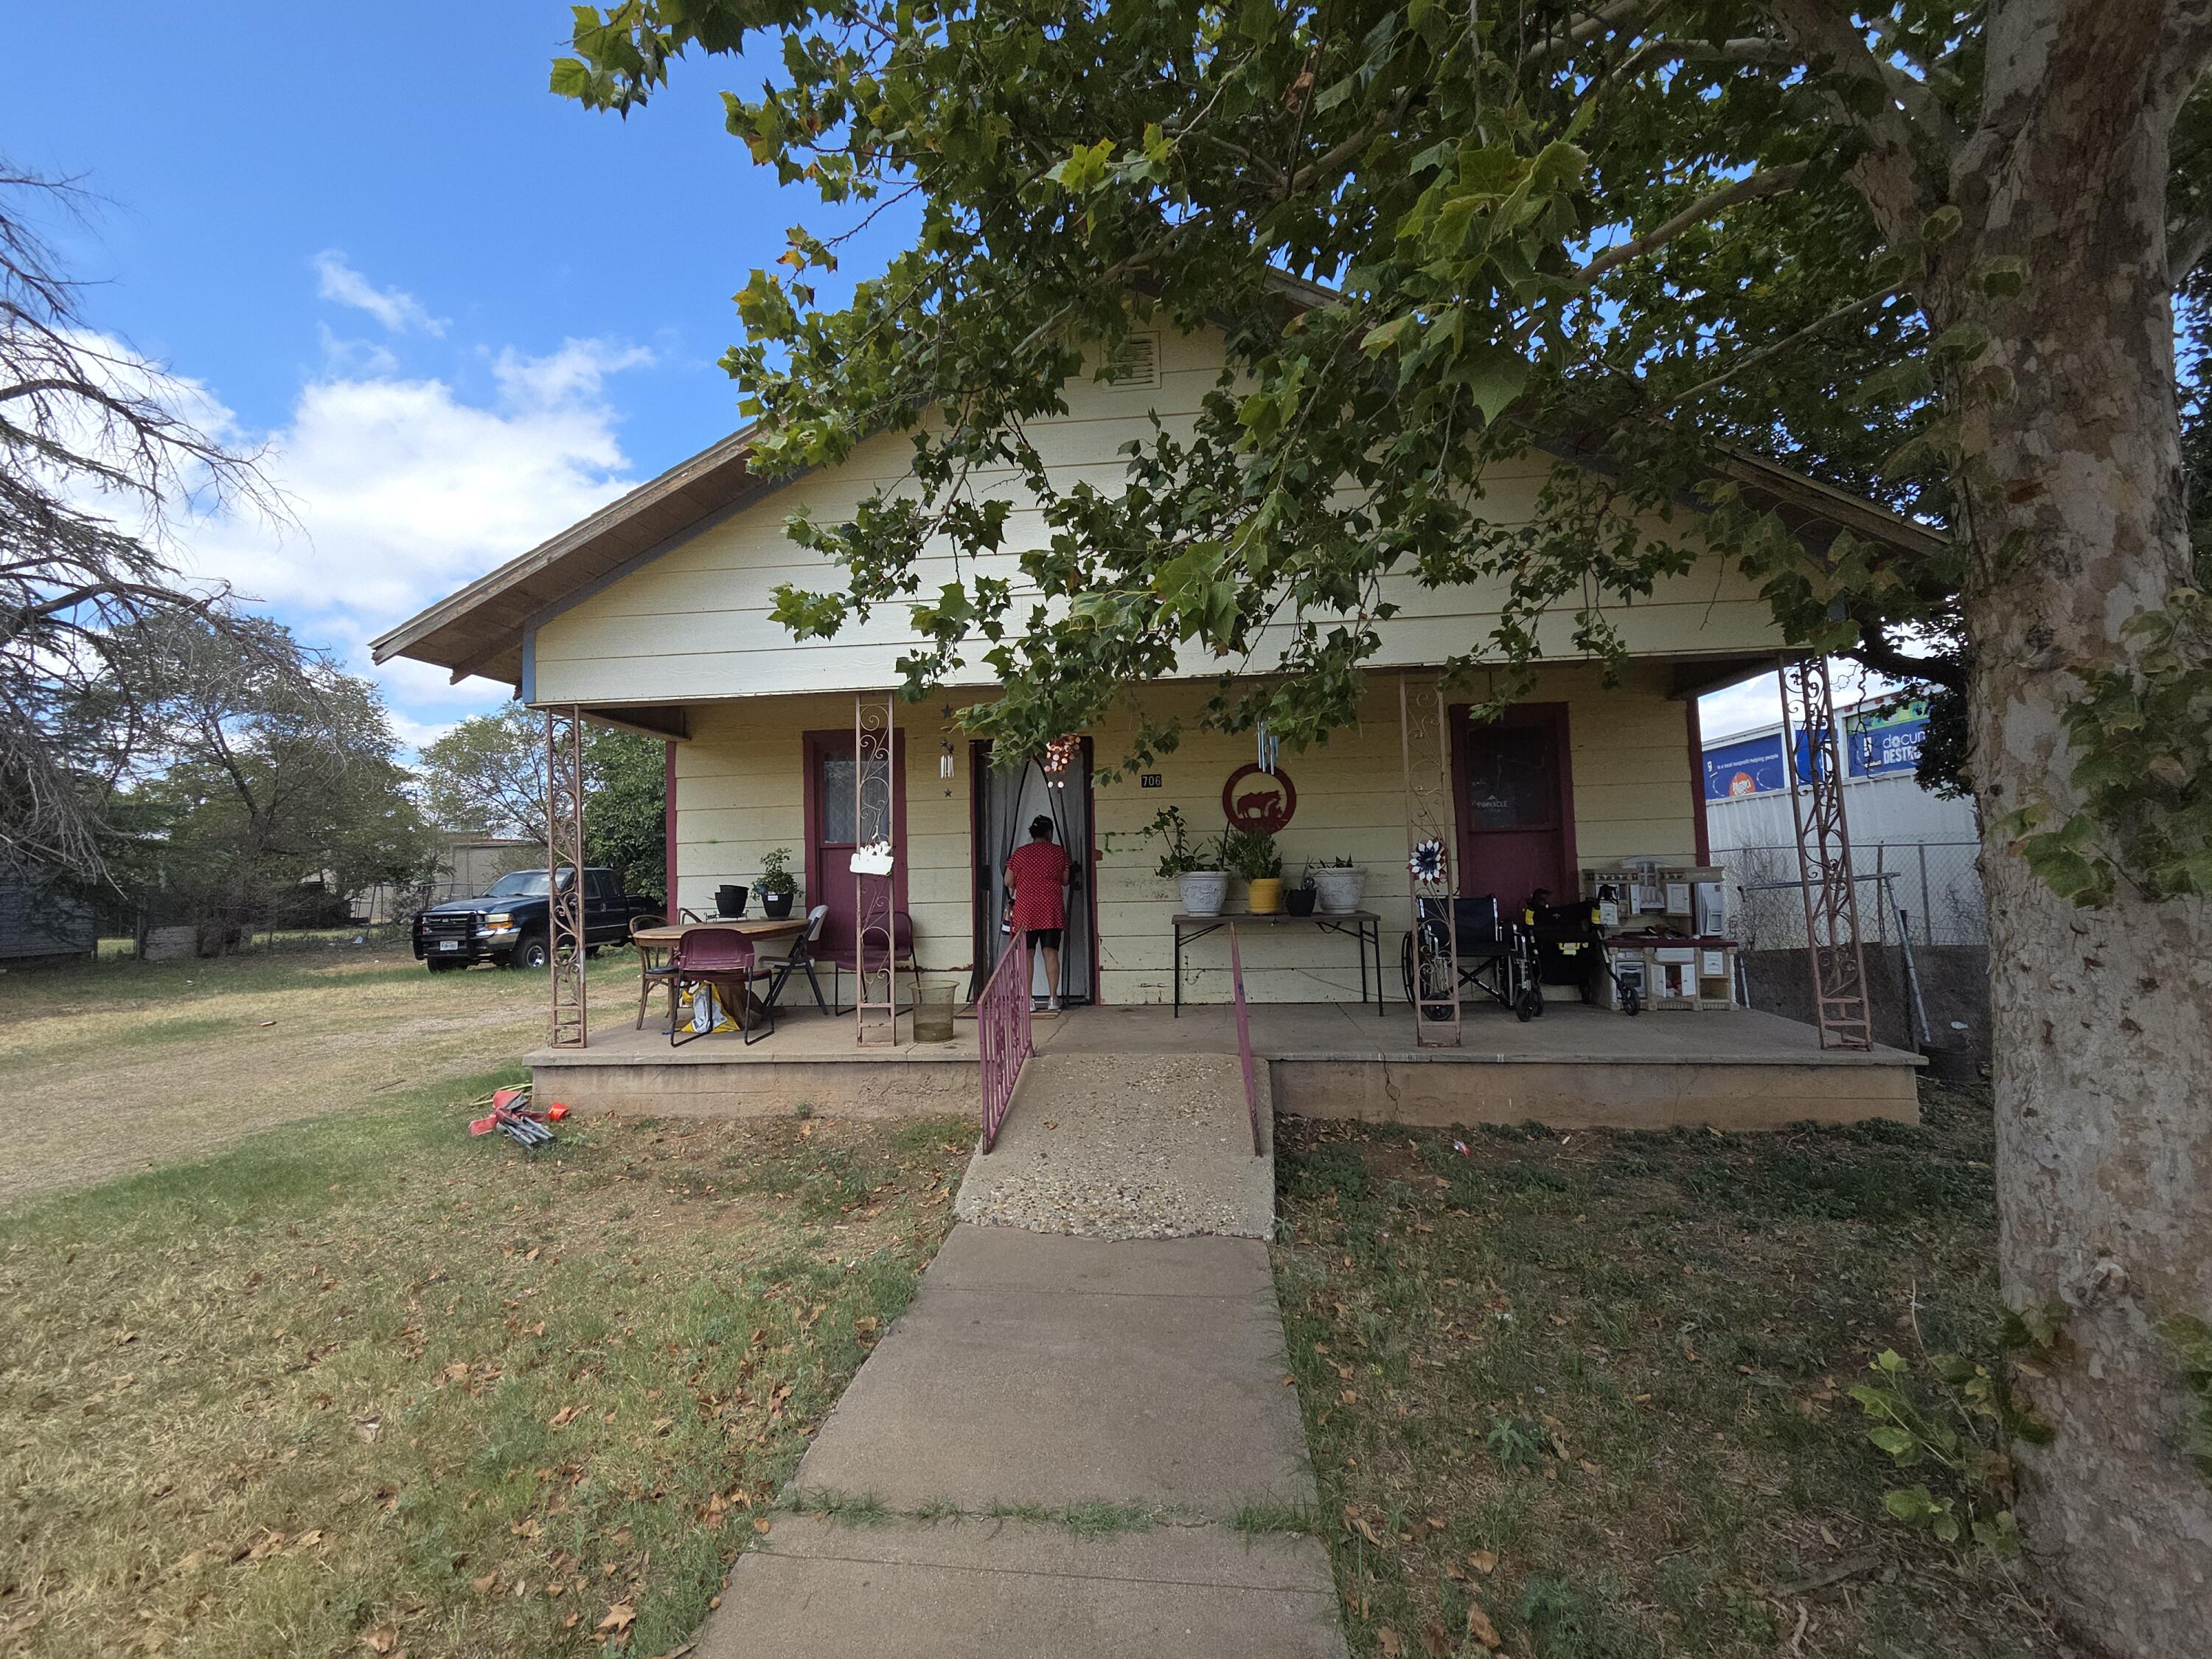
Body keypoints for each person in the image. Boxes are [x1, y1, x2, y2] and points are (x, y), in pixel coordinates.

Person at [1004, 814, 1074, 1012]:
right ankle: (1053, 999)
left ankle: (1029, 1001)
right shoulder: (1059, 853)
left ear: (1032, 833)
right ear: (1049, 832)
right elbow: (1066, 880)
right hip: (1051, 909)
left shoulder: (1020, 853)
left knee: (1027, 955)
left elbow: (1008, 881)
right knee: (1051, 954)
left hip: (1026, 911)